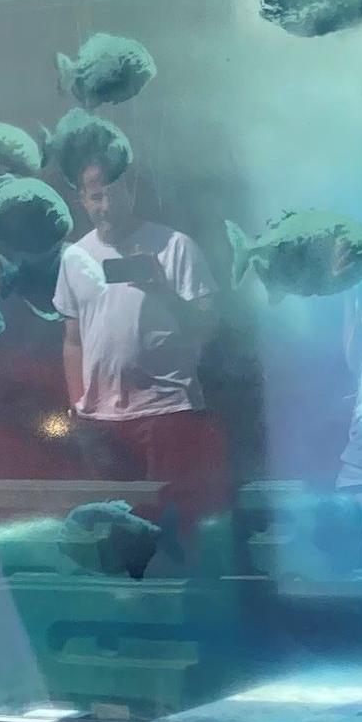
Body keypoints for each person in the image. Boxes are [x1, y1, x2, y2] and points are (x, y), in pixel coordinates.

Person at [52, 164, 226, 529]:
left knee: (171, 520)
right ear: (81, 200)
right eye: (96, 196)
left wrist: (160, 287)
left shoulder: (174, 246)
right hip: (100, 419)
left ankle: (174, 584)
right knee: (113, 524)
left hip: (167, 409)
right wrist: (77, 403)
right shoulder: (75, 257)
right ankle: (123, 586)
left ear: (131, 192)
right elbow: (72, 339)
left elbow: (208, 325)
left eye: (114, 193)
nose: (106, 204)